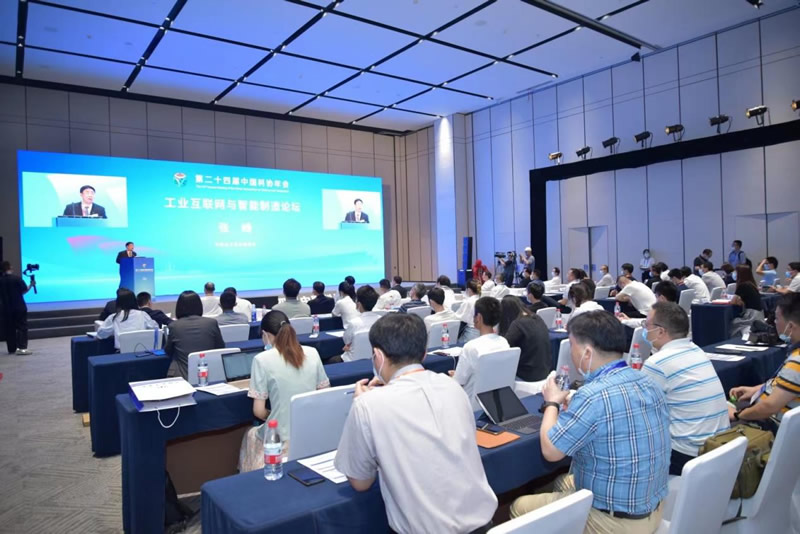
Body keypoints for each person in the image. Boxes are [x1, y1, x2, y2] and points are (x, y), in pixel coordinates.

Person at [334, 313, 497, 534]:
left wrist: (361, 404)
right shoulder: (452, 387)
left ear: (377, 355)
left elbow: (360, 482)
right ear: (424, 352)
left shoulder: (368, 404)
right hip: (484, 525)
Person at [510, 311, 670, 531]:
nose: (571, 354)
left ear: (587, 352)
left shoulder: (593, 396)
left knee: (519, 506)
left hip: (615, 522)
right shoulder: (648, 381)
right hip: (653, 507)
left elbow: (551, 451)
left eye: (572, 346)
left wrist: (551, 403)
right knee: (561, 481)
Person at [640, 302, 730, 475]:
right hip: (718, 447)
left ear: (660, 331)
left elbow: (640, 413)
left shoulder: (657, 363)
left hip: (686, 455)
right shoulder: (696, 349)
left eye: (647, 325)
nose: (645, 329)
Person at [239, 310, 329, 471]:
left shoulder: (261, 359)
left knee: (250, 434)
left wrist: (273, 415)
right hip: (311, 431)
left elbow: (258, 411)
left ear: (265, 335)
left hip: (279, 438)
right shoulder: (312, 353)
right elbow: (325, 394)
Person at [728, 293, 800, 430]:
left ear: (790, 326)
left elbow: (769, 406)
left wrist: (737, 415)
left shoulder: (797, 362)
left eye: (777, 318)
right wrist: (757, 389)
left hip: (771, 426)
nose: (774, 322)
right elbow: (788, 384)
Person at [452, 297, 510, 409]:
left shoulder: (471, 347)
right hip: (496, 403)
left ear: (478, 317)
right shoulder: (504, 342)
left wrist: (454, 376)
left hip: (470, 405)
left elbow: (458, 382)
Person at [165, 290, 225, 379]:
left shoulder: (174, 326)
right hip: (209, 375)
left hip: (182, 376)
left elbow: (168, 351)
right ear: (199, 305)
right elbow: (220, 347)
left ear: (179, 307)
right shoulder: (211, 323)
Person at [499, 295, 551, 382]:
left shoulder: (518, 324)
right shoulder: (536, 317)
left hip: (528, 375)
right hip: (544, 371)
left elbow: (504, 347)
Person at [0, 261, 34, 355]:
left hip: (6, 308)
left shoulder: (1, 281)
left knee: (9, 328)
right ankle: (22, 348)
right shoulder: (17, 279)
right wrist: (31, 285)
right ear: (10, 267)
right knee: (22, 327)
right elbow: (24, 291)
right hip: (19, 306)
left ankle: (11, 348)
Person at [342, 285, 381, 361]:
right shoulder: (381, 320)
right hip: (375, 359)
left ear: (359, 304)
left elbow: (346, 341)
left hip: (353, 360)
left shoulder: (354, 323)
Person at [730, 265, 764, 336]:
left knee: (733, 323)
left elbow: (733, 302)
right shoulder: (751, 284)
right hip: (759, 315)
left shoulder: (742, 285)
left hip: (751, 315)